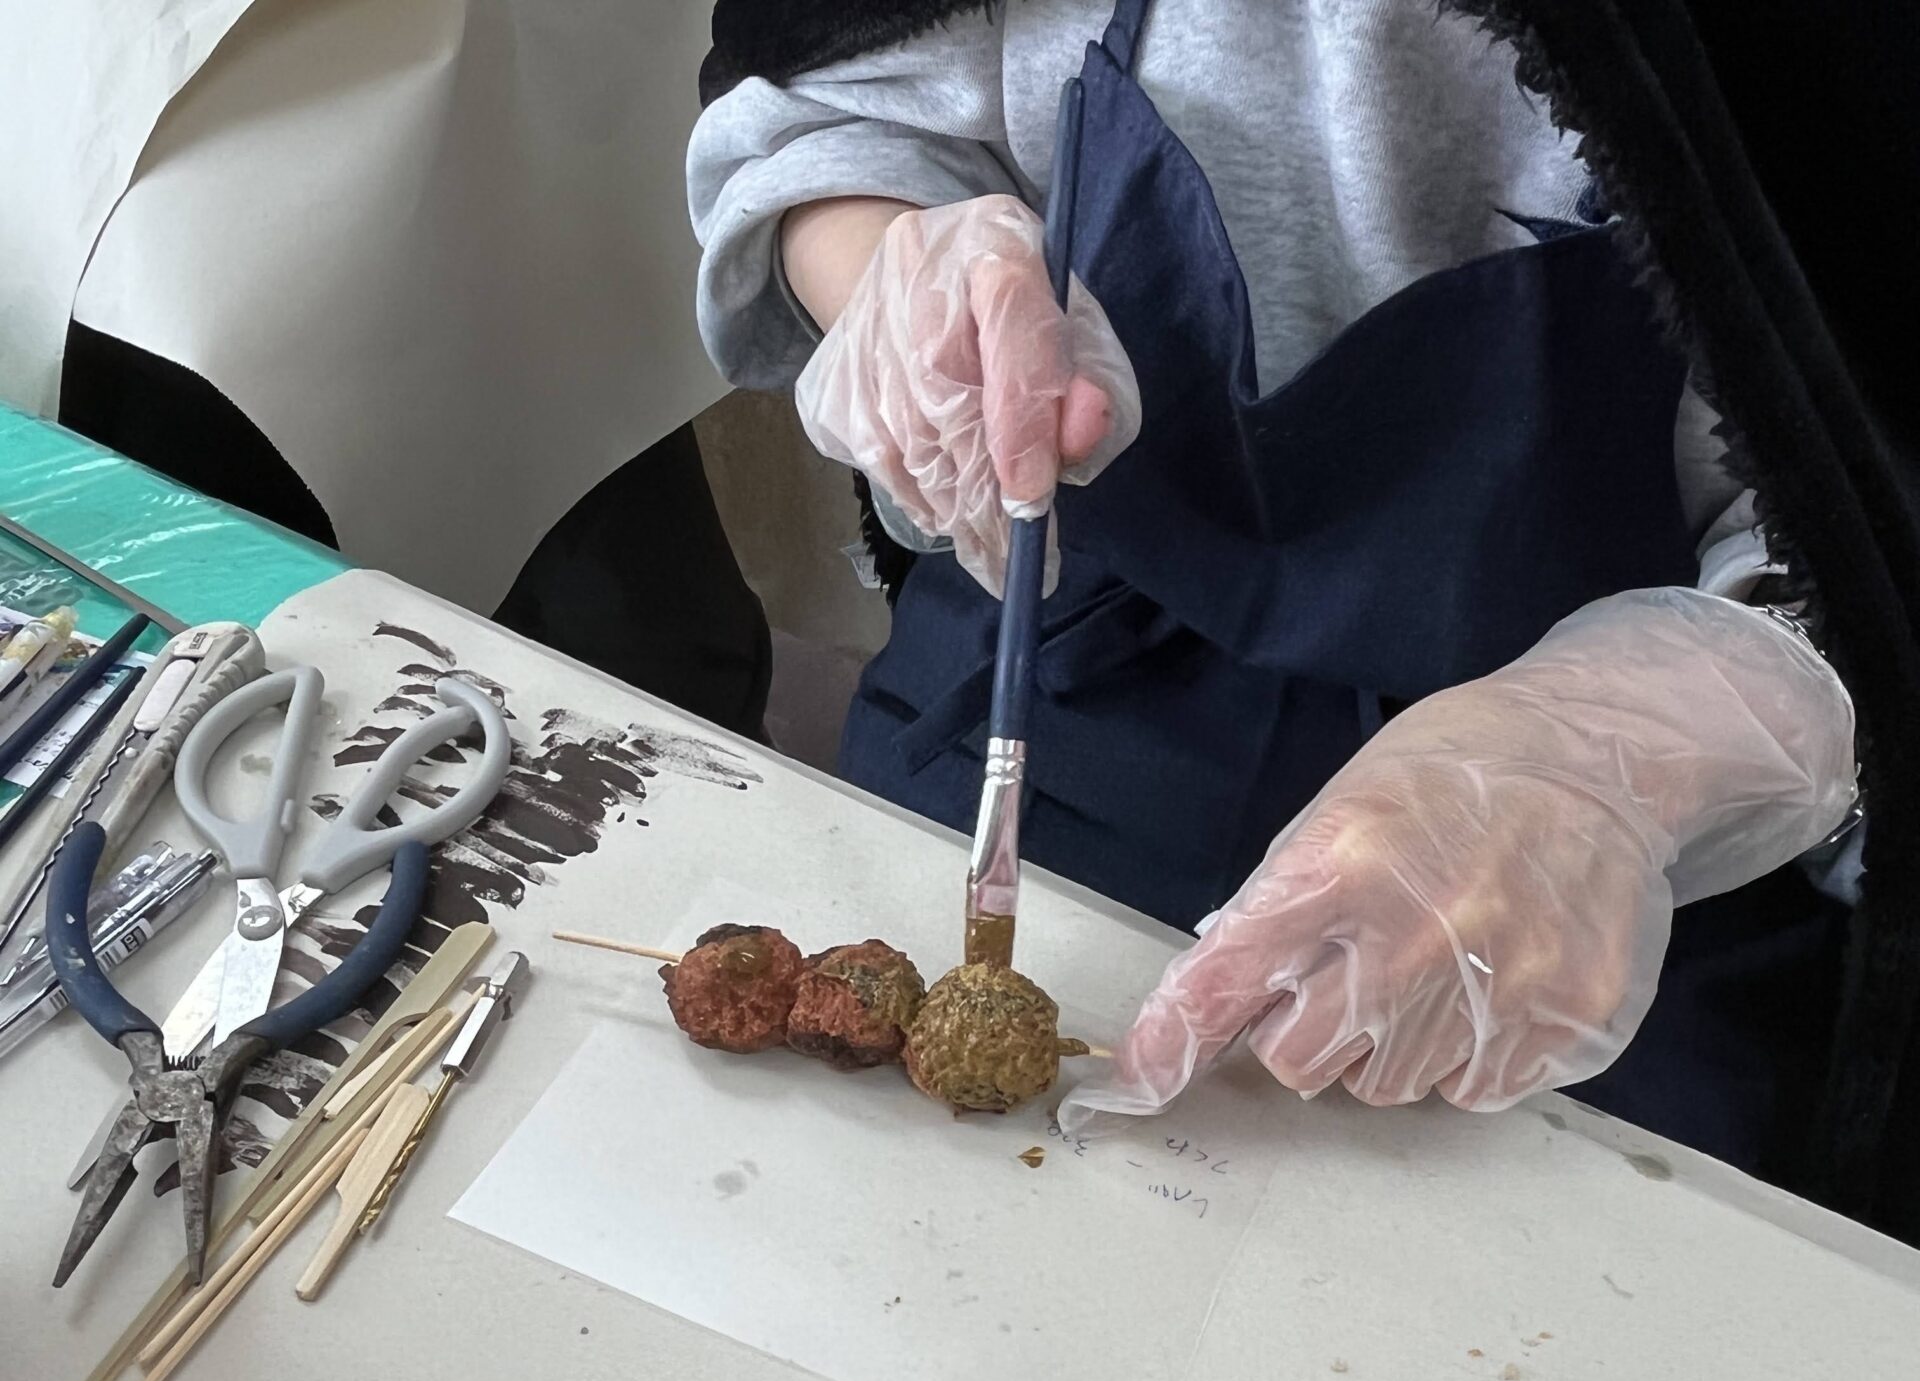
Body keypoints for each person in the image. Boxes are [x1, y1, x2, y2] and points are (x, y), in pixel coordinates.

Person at [688, 0, 1920, 1232]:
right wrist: (898, 275)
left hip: (1606, 823)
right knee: (848, 1213)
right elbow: (824, 116)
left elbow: (1871, 530)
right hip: (1076, 639)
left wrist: (1636, 746)